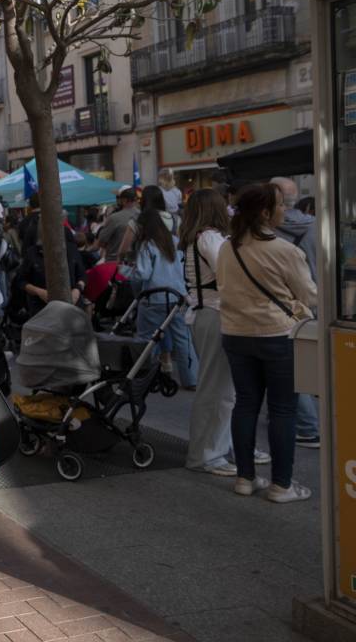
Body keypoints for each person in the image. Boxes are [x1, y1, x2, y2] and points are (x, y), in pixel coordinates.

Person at [216, 183, 317, 502]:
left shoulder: (227, 247)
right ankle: (281, 485)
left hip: (235, 333)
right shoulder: (285, 250)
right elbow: (310, 295)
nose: (285, 210)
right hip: (277, 335)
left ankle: (245, 478)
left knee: (245, 404)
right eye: (281, 205)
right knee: (283, 409)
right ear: (265, 212)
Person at [180, 189, 239, 474]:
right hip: (214, 314)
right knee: (218, 389)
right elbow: (228, 273)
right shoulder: (211, 238)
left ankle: (219, 447)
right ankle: (207, 454)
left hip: (205, 313)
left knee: (222, 388)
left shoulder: (200, 237)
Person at [269, 177, 322, 449]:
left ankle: (308, 426)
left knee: (292, 366)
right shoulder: (316, 225)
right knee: (309, 361)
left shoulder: (272, 231)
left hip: (288, 305)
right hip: (316, 300)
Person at [129, 200, 198, 390]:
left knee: (146, 339)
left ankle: (146, 378)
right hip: (178, 298)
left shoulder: (147, 245)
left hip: (154, 298)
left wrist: (130, 274)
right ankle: (191, 379)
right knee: (183, 340)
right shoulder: (176, 242)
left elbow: (142, 274)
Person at [95, 188, 139, 263]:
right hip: (137, 261)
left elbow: (101, 242)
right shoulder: (143, 216)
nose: (117, 201)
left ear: (124, 200)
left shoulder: (114, 218)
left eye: (118, 198)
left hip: (115, 261)